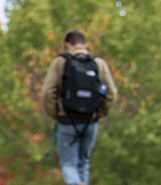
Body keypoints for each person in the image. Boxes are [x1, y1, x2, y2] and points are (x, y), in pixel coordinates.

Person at [40, 30, 117, 185]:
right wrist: (100, 113)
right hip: (90, 121)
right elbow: (112, 93)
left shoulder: (60, 62)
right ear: (85, 44)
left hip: (67, 120)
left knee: (68, 164)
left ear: (67, 44)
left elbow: (48, 93)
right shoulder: (98, 63)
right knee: (83, 163)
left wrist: (57, 114)